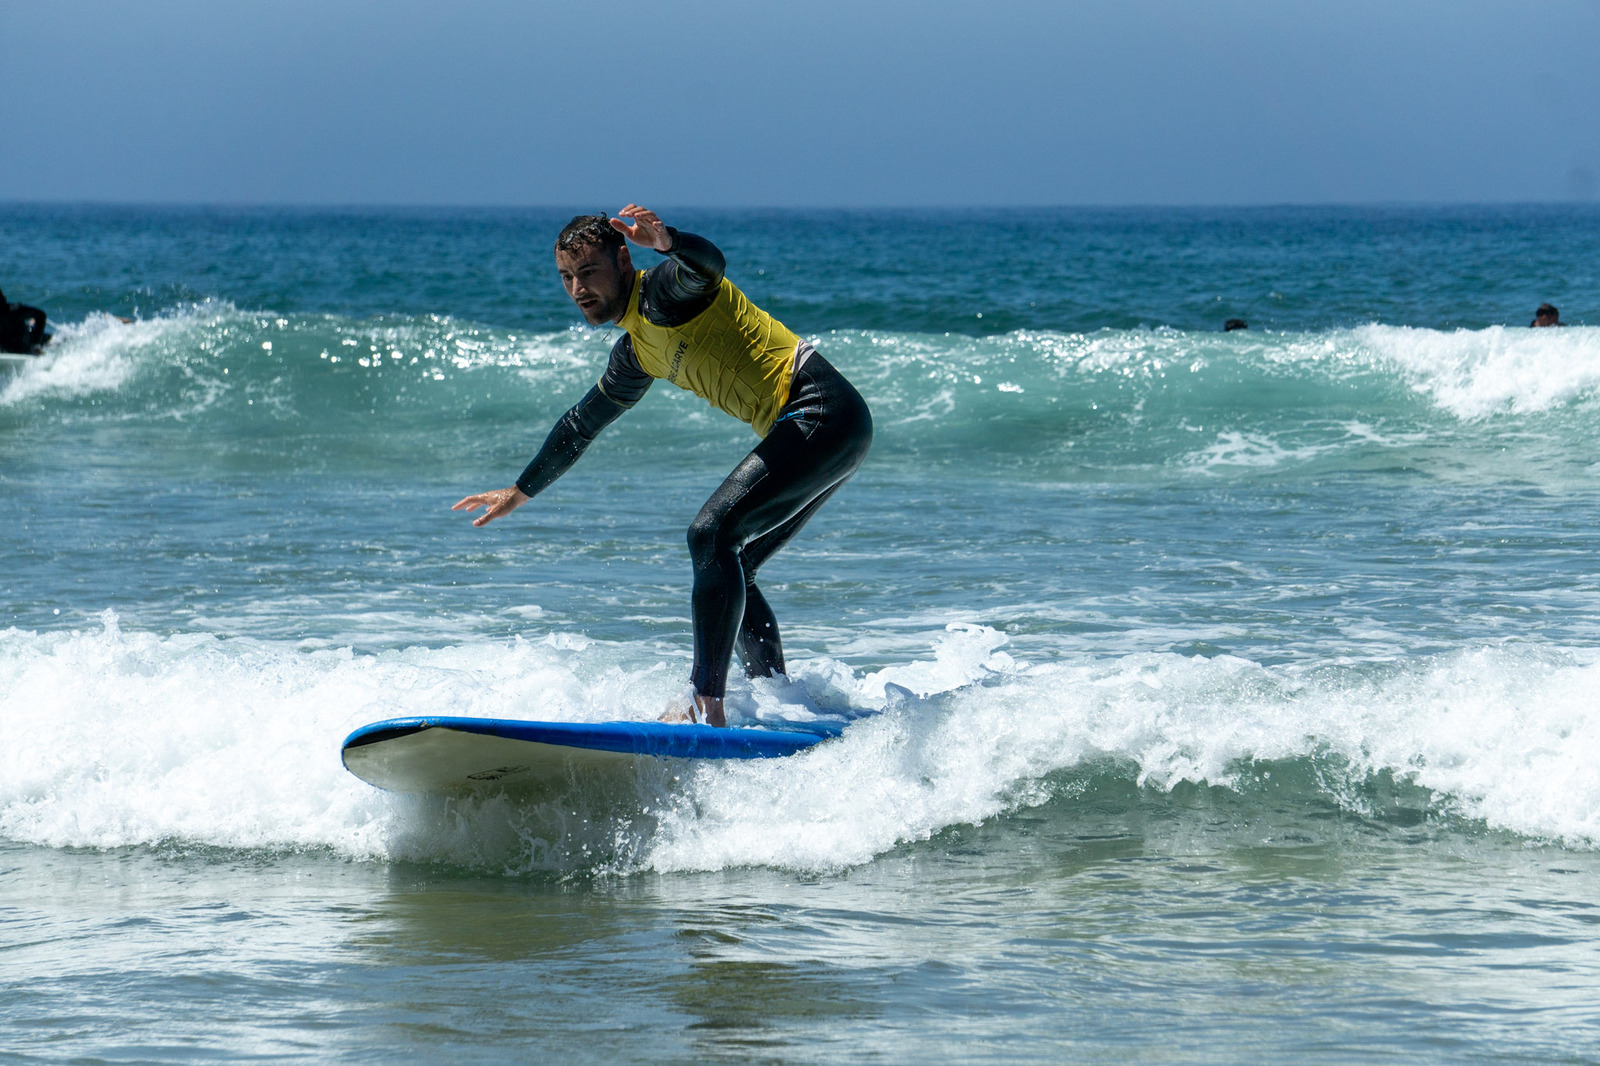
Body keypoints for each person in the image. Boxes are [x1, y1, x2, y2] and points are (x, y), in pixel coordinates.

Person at [453, 206, 873, 728]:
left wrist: (670, 240)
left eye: (588, 273)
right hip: (826, 426)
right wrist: (519, 491)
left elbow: (710, 266)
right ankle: (781, 702)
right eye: (567, 278)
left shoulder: (665, 292)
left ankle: (704, 702)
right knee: (732, 560)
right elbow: (582, 422)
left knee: (710, 534)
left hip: (822, 410)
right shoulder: (635, 352)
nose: (578, 289)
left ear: (622, 259)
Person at [0, 287, 48, 354]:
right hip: (8, 347)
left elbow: (41, 315)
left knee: (48, 339)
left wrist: (36, 345)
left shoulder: (13, 310)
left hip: (24, 346)